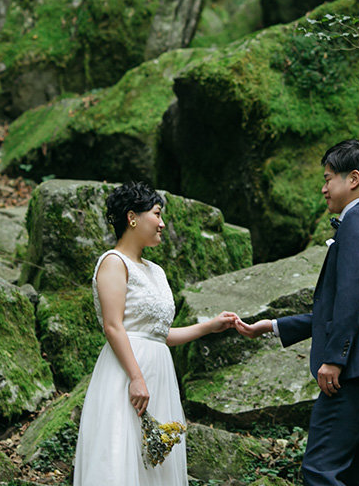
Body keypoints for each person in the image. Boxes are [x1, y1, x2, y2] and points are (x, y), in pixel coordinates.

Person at [236, 139, 359, 486]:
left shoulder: (357, 219)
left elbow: (351, 294)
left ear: (353, 178)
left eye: (328, 178)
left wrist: (336, 358)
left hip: (356, 369)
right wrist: (274, 326)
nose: (323, 187)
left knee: (319, 471)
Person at [72, 182, 238, 486]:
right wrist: (136, 378)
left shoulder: (155, 270)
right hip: (126, 372)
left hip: (159, 371)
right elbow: (113, 326)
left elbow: (160, 334)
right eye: (157, 214)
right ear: (132, 217)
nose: (162, 223)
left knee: (154, 459)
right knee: (120, 451)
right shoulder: (113, 262)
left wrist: (209, 326)